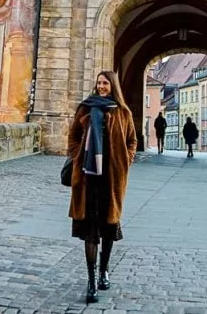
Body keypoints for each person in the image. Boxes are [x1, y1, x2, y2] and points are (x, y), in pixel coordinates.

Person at [68, 71, 137, 304]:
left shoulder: (122, 111)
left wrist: (126, 159)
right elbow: (73, 137)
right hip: (88, 179)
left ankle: (103, 271)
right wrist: (79, 156)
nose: (101, 87)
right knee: (90, 231)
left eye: (105, 83)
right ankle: (90, 281)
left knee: (108, 228)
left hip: (111, 178)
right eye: (99, 83)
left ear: (112, 86)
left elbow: (132, 140)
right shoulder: (85, 109)